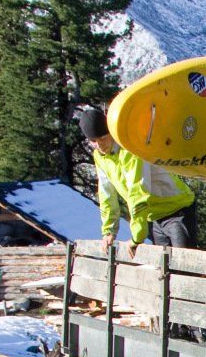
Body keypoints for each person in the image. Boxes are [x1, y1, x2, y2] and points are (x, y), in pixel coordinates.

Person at [79, 105, 198, 251]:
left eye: (103, 138)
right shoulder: (100, 157)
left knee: (184, 261)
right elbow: (106, 194)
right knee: (163, 264)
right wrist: (108, 231)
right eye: (93, 141)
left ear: (110, 132)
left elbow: (138, 191)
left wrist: (137, 238)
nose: (99, 145)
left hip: (177, 210)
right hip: (154, 218)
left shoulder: (130, 149)